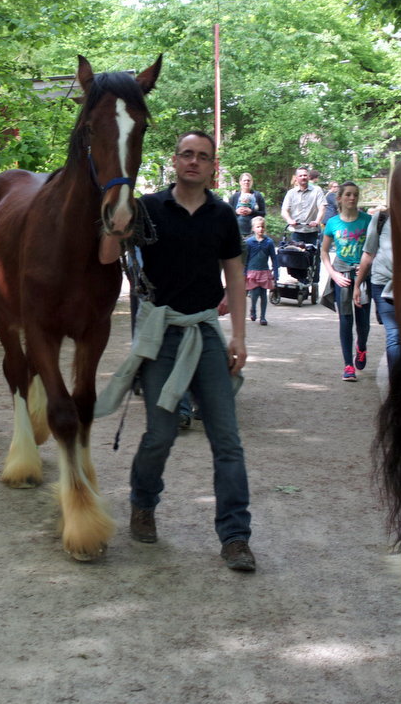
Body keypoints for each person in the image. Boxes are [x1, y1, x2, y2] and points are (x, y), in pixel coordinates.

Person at [97, 131, 255, 572]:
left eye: (203, 157)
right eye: (187, 154)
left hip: (204, 332)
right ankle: (143, 504)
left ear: (212, 167)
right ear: (175, 160)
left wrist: (239, 337)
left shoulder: (223, 215)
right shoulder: (147, 207)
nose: (194, 162)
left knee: (227, 440)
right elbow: (109, 257)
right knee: (161, 434)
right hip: (160, 334)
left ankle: (235, 536)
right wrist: (115, 221)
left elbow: (236, 277)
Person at [320, 181, 371, 382]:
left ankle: (362, 346)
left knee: (364, 323)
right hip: (342, 275)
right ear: (339, 198)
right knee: (345, 320)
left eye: (355, 194)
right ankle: (348, 365)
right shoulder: (332, 223)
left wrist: (366, 265)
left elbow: (374, 248)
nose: (352, 198)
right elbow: (324, 251)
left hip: (363, 275)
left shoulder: (368, 221)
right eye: (348, 194)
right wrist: (333, 274)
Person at [353, 208, 401, 375]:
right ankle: (397, 384)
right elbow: (369, 253)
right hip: (383, 282)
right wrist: (357, 285)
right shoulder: (381, 218)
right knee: (395, 333)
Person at [244, 216, 279, 326]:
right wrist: (244, 272)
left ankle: (263, 317)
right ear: (253, 228)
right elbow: (245, 258)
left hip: (264, 271)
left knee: (263, 295)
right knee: (254, 294)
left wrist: (276, 272)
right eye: (258, 227)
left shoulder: (269, 242)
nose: (261, 229)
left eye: (262, 227)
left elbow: (274, 257)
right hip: (252, 272)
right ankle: (253, 309)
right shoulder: (249, 242)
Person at [280, 166, 325, 246]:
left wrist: (317, 221)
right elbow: (284, 210)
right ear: (296, 178)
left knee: (315, 256)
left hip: (313, 231)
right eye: (300, 176)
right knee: (296, 256)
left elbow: (322, 208)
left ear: (308, 177)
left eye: (305, 175)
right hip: (296, 232)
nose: (303, 177)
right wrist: (289, 220)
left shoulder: (317, 191)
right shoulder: (291, 193)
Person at [228, 173, 266, 237]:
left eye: (248, 180)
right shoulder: (234, 197)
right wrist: (236, 212)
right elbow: (228, 215)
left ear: (251, 182)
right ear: (240, 182)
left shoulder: (258, 196)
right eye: (244, 180)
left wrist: (251, 212)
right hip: (237, 231)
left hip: (254, 232)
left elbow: (263, 213)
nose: (246, 182)